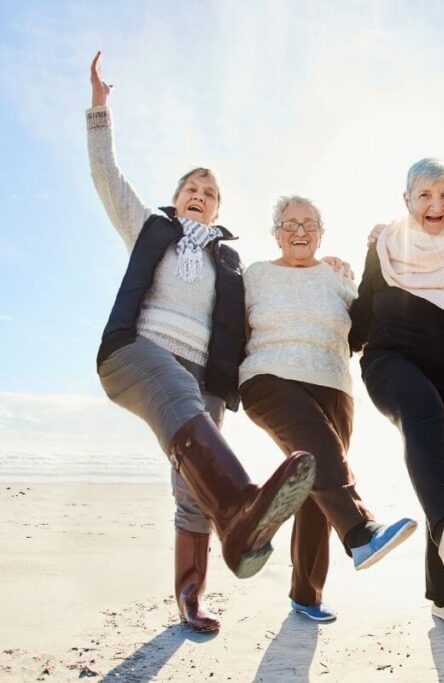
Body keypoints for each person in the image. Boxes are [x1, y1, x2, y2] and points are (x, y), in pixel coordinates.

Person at [87, 53, 315, 633]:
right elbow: (107, 178)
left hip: (205, 376)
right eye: (191, 187)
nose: (198, 194)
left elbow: (269, 300)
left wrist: (322, 263)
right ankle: (242, 507)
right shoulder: (151, 228)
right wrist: (100, 112)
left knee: (191, 491)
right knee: (178, 399)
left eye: (209, 192)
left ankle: (191, 596)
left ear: (219, 208)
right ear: (177, 196)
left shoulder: (230, 260)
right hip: (137, 354)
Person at [237, 195, 418, 622]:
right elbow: (230, 326)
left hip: (334, 386)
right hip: (268, 377)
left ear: (322, 231)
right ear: (275, 232)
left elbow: (362, 330)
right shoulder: (255, 275)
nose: (299, 231)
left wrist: (376, 256)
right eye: (289, 223)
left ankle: (306, 595)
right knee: (322, 460)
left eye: (309, 223)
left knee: (317, 489)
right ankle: (360, 532)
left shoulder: (337, 277)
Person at [350, 159, 444, 630]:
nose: (437, 204)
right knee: (421, 413)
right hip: (390, 362)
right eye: (426, 195)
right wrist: (330, 277)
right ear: (407, 200)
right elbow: (359, 315)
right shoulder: (387, 244)